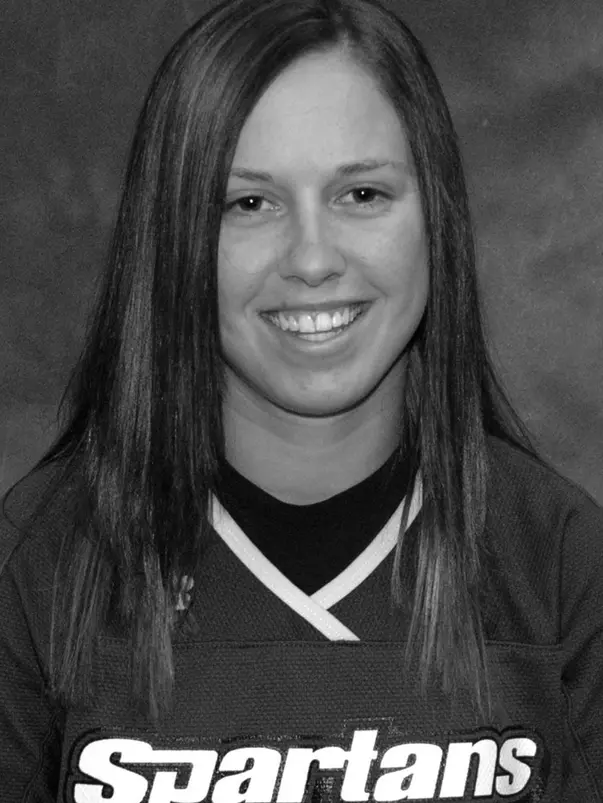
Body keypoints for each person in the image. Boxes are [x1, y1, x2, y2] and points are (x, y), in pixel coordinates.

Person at [1, 0, 602, 799]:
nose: (312, 259)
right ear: (173, 236)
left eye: (362, 194)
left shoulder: (558, 559)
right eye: (248, 203)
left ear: (436, 217)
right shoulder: (43, 558)